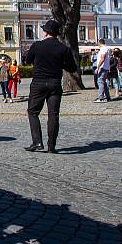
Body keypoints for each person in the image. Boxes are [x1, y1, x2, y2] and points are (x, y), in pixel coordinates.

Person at [23, 20, 77, 153]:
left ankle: (37, 142)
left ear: (46, 32)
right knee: (53, 114)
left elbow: (27, 60)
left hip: (39, 83)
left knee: (33, 112)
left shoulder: (37, 45)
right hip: (55, 83)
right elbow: (71, 67)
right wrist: (59, 64)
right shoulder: (64, 48)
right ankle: (51, 146)